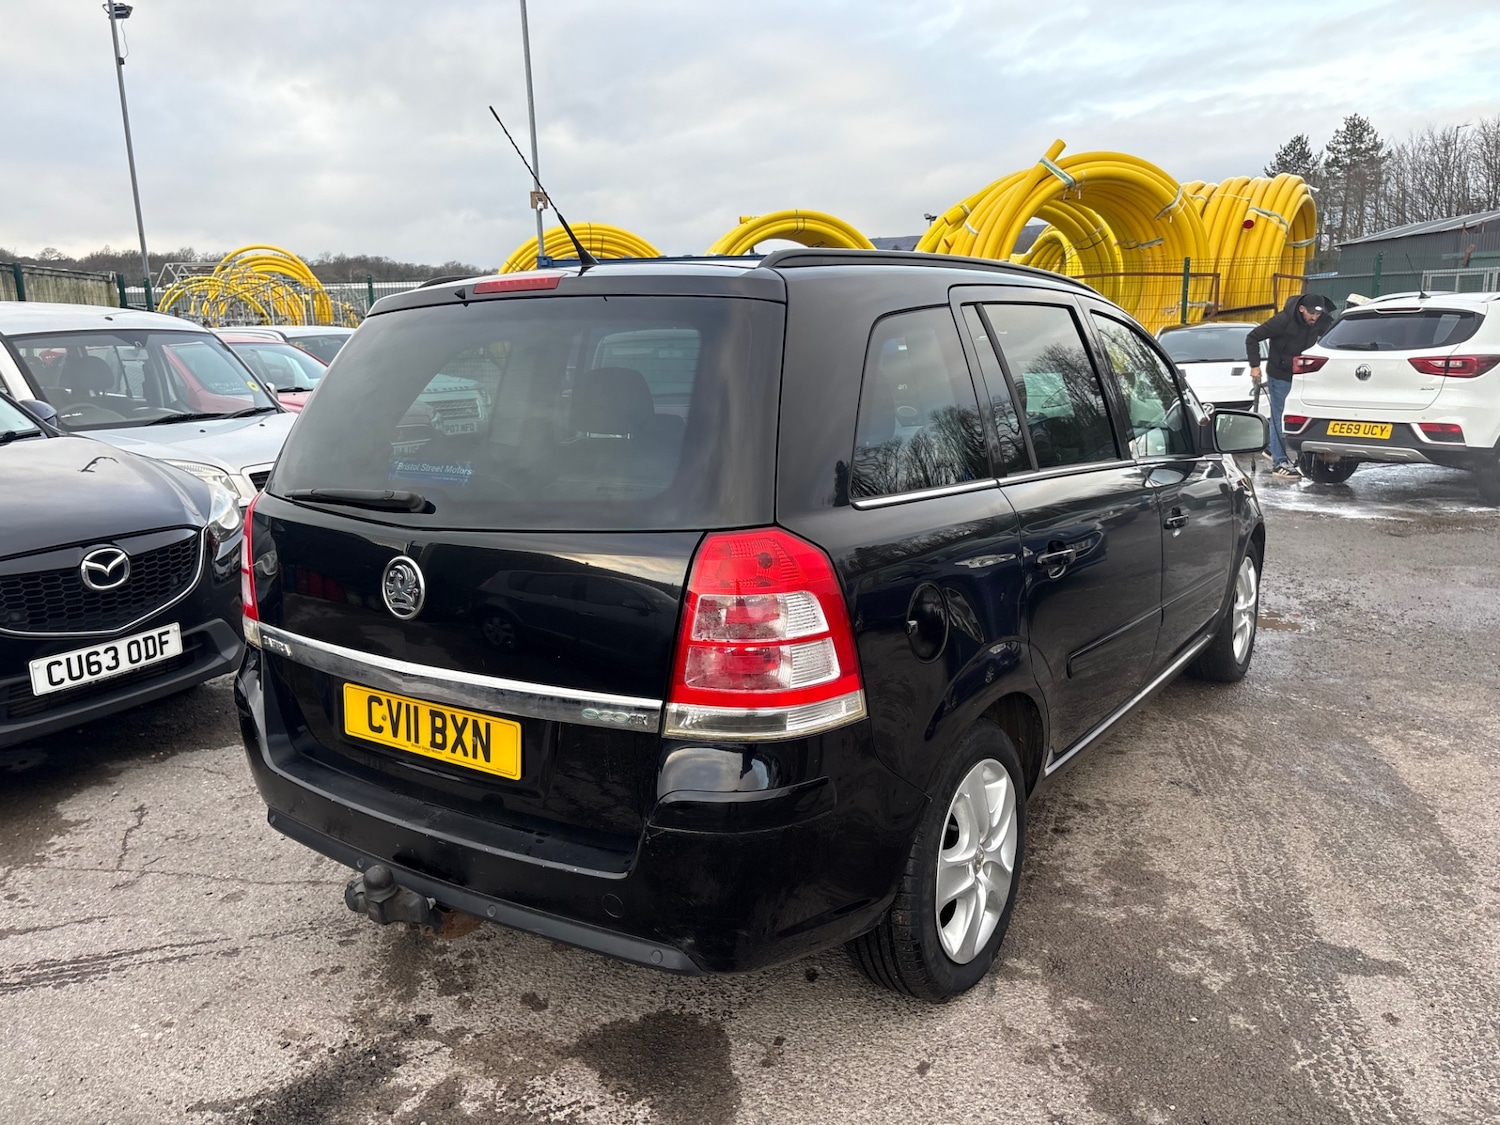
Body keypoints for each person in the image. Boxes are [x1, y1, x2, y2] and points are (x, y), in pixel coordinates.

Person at [1246, 293, 1334, 478]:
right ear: (1301, 309)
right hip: (1280, 374)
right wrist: (1255, 366)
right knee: (1280, 414)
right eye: (1311, 314)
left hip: (1303, 375)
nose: (1314, 318)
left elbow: (1334, 336)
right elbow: (1252, 337)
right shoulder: (1283, 320)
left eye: (1318, 314)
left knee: (1297, 414)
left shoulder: (1321, 321)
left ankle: (1271, 447)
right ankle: (1279, 463)